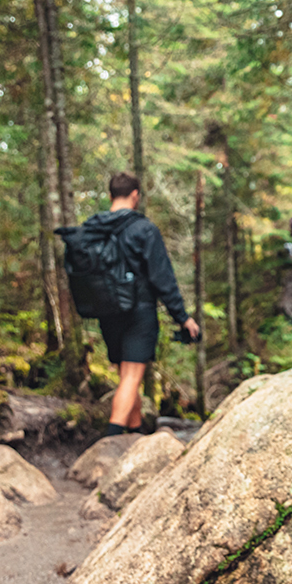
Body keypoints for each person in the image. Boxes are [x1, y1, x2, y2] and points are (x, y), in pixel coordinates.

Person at [87, 172, 200, 437]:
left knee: (126, 374)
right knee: (131, 376)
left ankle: (135, 432)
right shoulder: (144, 229)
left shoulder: (93, 228)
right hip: (139, 311)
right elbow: (162, 278)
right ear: (135, 195)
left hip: (106, 311)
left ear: (110, 195)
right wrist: (182, 317)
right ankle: (111, 441)